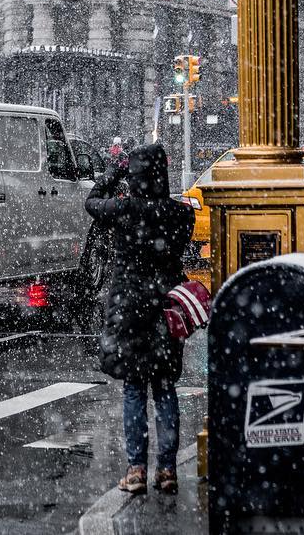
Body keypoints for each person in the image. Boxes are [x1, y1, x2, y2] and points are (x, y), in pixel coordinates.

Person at [85, 142, 195, 496]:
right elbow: (180, 249)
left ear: (134, 175)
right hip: (165, 307)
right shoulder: (180, 214)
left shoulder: (123, 209)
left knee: (134, 388)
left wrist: (114, 170)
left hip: (129, 308)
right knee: (165, 387)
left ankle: (136, 469)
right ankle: (167, 470)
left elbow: (91, 202)